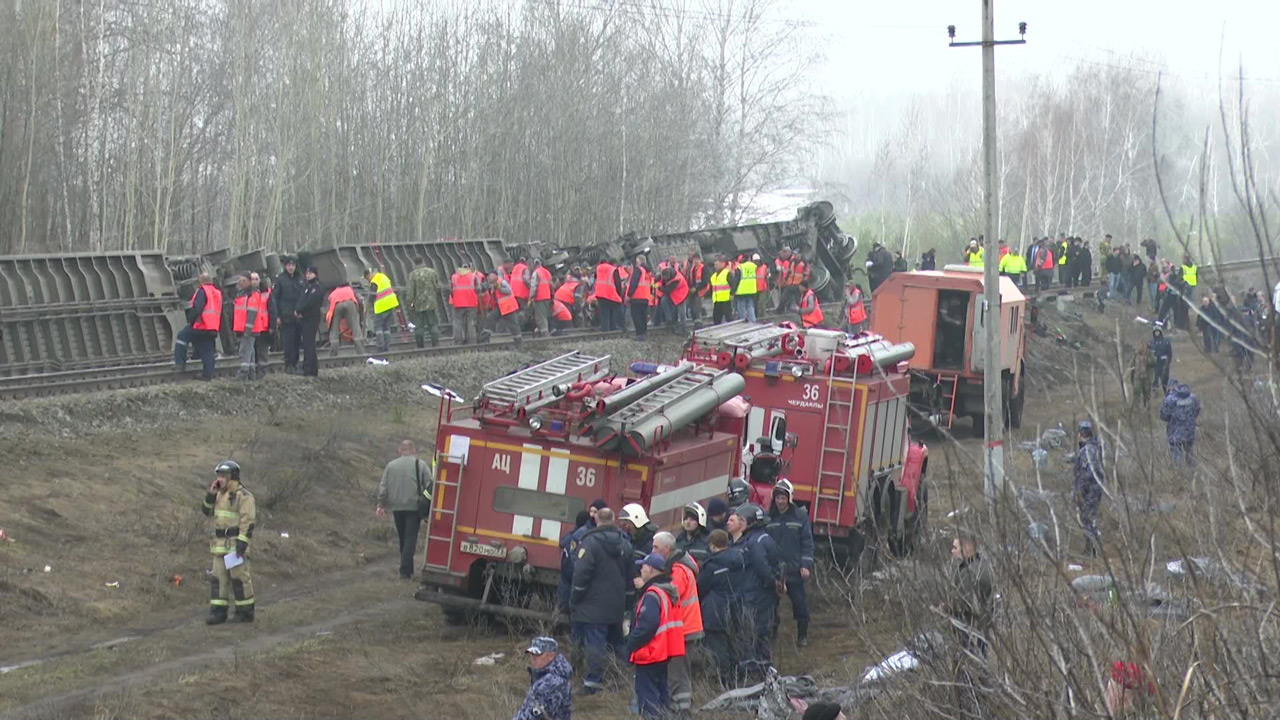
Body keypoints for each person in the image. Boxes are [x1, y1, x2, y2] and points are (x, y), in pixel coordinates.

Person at [570, 507, 632, 695]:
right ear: (614, 520)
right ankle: (623, 674)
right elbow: (630, 576)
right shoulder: (625, 544)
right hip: (616, 605)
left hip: (592, 606)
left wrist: (575, 598)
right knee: (617, 642)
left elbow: (581, 574)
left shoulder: (589, 543)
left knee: (594, 643)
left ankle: (592, 682)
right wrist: (627, 604)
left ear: (597, 520)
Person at [649, 532, 702, 715]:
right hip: (686, 627)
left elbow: (671, 593)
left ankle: (672, 710)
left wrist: (650, 584)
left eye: (656, 547)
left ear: (667, 549)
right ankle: (683, 709)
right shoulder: (678, 566)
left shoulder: (678, 570)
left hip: (683, 628)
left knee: (675, 672)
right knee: (681, 671)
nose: (652, 550)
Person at [626, 553, 684, 718]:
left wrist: (630, 644)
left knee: (648, 700)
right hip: (663, 653)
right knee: (662, 696)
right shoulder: (666, 591)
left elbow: (647, 626)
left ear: (650, 569)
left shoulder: (652, 594)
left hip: (650, 653)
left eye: (643, 566)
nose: (641, 569)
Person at [728, 503, 780, 679]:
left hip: (756, 596)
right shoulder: (760, 538)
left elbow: (762, 568)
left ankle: (757, 673)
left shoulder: (755, 542)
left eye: (742, 520)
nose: (739, 523)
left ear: (751, 522)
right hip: (756, 594)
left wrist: (773, 584)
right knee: (756, 633)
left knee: (754, 633)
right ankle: (760, 670)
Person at [201, 460, 256, 624]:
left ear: (233, 477)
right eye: (218, 476)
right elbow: (206, 511)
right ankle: (218, 613)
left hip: (235, 545)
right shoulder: (218, 494)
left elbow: (248, 521)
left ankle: (245, 612)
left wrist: (242, 543)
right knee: (218, 579)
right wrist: (210, 494)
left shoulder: (243, 496)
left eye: (223, 476)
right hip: (219, 546)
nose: (220, 479)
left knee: (239, 579)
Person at [375, 440, 433, 579]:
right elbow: (430, 486)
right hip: (414, 508)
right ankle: (405, 571)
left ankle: (407, 568)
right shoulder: (421, 465)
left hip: (397, 507)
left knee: (403, 538)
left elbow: (384, 487)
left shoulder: (391, 466)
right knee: (410, 538)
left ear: (399, 450)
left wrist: (380, 504)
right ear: (414, 450)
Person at [766, 479, 814, 647]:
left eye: (783, 498)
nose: (780, 501)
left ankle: (803, 635)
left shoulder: (800, 517)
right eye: (778, 498)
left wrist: (805, 565)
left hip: (794, 570)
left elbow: (807, 542)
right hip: (774, 571)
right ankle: (771, 635)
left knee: (800, 604)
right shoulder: (768, 518)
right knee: (770, 606)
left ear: (790, 498)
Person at [697, 528, 744, 687]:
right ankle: (735, 676)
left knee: (717, 648)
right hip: (735, 607)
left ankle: (722, 680)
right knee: (732, 645)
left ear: (711, 544)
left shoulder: (711, 565)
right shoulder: (739, 560)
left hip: (715, 610)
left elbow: (700, 589)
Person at [942, 533, 995, 657]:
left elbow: (965, 603)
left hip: (970, 629)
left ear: (966, 548)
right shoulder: (981, 565)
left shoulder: (970, 573)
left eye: (955, 548)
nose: (952, 551)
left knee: (970, 664)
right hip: (980, 628)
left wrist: (947, 607)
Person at [174, 272, 222, 380]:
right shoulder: (217, 293)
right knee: (207, 350)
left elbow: (198, 308)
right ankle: (207, 375)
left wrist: (191, 320)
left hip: (201, 325)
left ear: (201, 281)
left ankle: (179, 363)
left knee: (182, 336)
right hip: (213, 327)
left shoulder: (202, 291)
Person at [512, 637, 573, 720]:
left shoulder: (553, 683)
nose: (533, 658)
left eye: (538, 654)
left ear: (551, 656)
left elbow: (537, 716)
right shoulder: (544, 677)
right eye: (532, 654)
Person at [1074, 420, 1105, 556]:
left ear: (1080, 434)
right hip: (1096, 489)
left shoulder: (1087, 451)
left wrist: (1079, 491)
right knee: (1090, 518)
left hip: (1089, 491)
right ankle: (1092, 549)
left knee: (1087, 520)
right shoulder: (1097, 447)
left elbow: (1087, 474)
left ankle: (1092, 551)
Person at [274, 257, 305, 373]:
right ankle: (289, 364)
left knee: (297, 341)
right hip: (286, 315)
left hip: (298, 315)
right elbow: (275, 299)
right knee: (288, 342)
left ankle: (296, 363)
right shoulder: (280, 280)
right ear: (285, 266)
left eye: (293, 265)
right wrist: (277, 316)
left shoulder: (300, 278)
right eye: (288, 265)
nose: (291, 267)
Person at [1160, 383, 1200, 466]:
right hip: (1189, 431)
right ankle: (1193, 472)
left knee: (1176, 455)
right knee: (1190, 453)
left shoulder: (1169, 399)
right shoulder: (1193, 397)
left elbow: (1164, 416)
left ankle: (1180, 475)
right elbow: (1196, 411)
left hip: (1175, 432)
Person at [294, 266, 324, 376]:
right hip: (305, 317)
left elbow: (310, 302)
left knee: (309, 343)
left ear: (315, 274)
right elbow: (302, 299)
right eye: (307, 273)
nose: (308, 275)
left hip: (312, 317)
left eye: (310, 273)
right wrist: (297, 309)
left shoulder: (316, 287)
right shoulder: (307, 286)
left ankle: (308, 368)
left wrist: (299, 309)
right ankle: (312, 368)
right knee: (308, 343)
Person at [483, 271, 524, 350]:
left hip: (508, 308)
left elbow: (508, 291)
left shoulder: (502, 282)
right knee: (490, 319)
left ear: (495, 275)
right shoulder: (493, 285)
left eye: (490, 275)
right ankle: (484, 339)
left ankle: (519, 344)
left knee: (513, 326)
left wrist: (499, 288)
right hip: (501, 308)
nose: (488, 278)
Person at [229, 275, 260, 380]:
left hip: (248, 329)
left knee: (244, 350)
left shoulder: (252, 295)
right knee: (250, 350)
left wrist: (247, 329)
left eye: (244, 281)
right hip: (244, 328)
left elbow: (252, 312)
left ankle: (243, 373)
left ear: (249, 282)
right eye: (240, 281)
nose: (241, 283)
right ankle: (251, 374)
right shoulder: (242, 295)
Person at [364, 267, 400, 353]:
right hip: (391, 304)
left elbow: (372, 296)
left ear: (370, 274)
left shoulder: (374, 282)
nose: (367, 280)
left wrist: (367, 306)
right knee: (386, 327)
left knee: (378, 327)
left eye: (367, 278)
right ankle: (387, 347)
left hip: (382, 305)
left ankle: (380, 347)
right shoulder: (383, 277)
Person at [325, 281, 366, 357]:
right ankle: (361, 352)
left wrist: (329, 324)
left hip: (336, 305)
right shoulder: (350, 289)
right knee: (355, 328)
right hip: (350, 303)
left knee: (334, 330)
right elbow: (360, 303)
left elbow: (327, 310)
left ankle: (333, 353)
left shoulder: (333, 293)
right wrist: (360, 318)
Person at [406, 257, 440, 348]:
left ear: (414, 263)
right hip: (431, 303)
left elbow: (410, 292)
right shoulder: (432, 272)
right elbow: (436, 287)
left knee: (419, 326)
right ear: (423, 262)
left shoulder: (412, 275)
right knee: (433, 324)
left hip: (419, 305)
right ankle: (435, 344)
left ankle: (420, 346)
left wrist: (409, 305)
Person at [626, 255, 652, 340]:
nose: (635, 264)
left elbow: (634, 283)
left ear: (639, 262)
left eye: (636, 262)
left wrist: (629, 295)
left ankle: (639, 334)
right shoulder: (648, 272)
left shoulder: (638, 270)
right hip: (645, 297)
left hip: (637, 297)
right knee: (643, 316)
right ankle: (643, 334)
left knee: (636, 316)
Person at [594, 260, 624, 332]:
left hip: (600, 294)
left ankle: (605, 330)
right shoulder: (613, 269)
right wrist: (619, 294)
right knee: (613, 312)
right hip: (610, 294)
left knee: (604, 313)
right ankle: (614, 327)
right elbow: (617, 283)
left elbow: (596, 277)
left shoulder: (598, 268)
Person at [253, 273, 273, 374]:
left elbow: (272, 310)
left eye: (256, 279)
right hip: (251, 327)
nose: (254, 281)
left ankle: (262, 371)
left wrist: (272, 326)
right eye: (252, 279)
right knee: (254, 350)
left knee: (263, 350)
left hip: (263, 327)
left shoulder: (267, 294)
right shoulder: (247, 293)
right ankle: (255, 370)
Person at [1128, 343, 1155, 407]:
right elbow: (1131, 366)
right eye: (1139, 346)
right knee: (1136, 394)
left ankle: (1147, 409)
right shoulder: (1135, 355)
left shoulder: (1149, 354)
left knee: (1147, 395)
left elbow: (1153, 363)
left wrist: (1147, 360)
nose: (1140, 347)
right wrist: (1131, 378)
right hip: (1137, 378)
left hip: (1146, 378)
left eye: (1142, 346)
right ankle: (1136, 409)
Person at [733, 253, 758, 322]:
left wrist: (733, 291)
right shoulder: (754, 266)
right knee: (750, 306)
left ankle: (743, 321)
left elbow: (736, 280)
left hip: (741, 290)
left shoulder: (740, 267)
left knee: (741, 307)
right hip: (751, 289)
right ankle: (752, 320)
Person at [709, 257, 734, 324]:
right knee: (716, 318)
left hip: (725, 299)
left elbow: (733, 284)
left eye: (717, 265)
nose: (716, 266)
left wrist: (732, 294)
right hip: (717, 300)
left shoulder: (726, 273)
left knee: (728, 317)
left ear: (722, 264)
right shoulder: (713, 276)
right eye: (715, 265)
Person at [1149, 324, 1172, 390]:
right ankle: (1155, 391)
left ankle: (1166, 391)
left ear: (1160, 332)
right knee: (1155, 379)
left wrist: (1168, 362)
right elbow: (1148, 353)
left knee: (1165, 379)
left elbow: (1169, 353)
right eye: (1155, 332)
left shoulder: (1166, 342)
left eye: (1158, 331)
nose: (1157, 333)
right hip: (1155, 364)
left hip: (1164, 363)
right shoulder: (1151, 343)